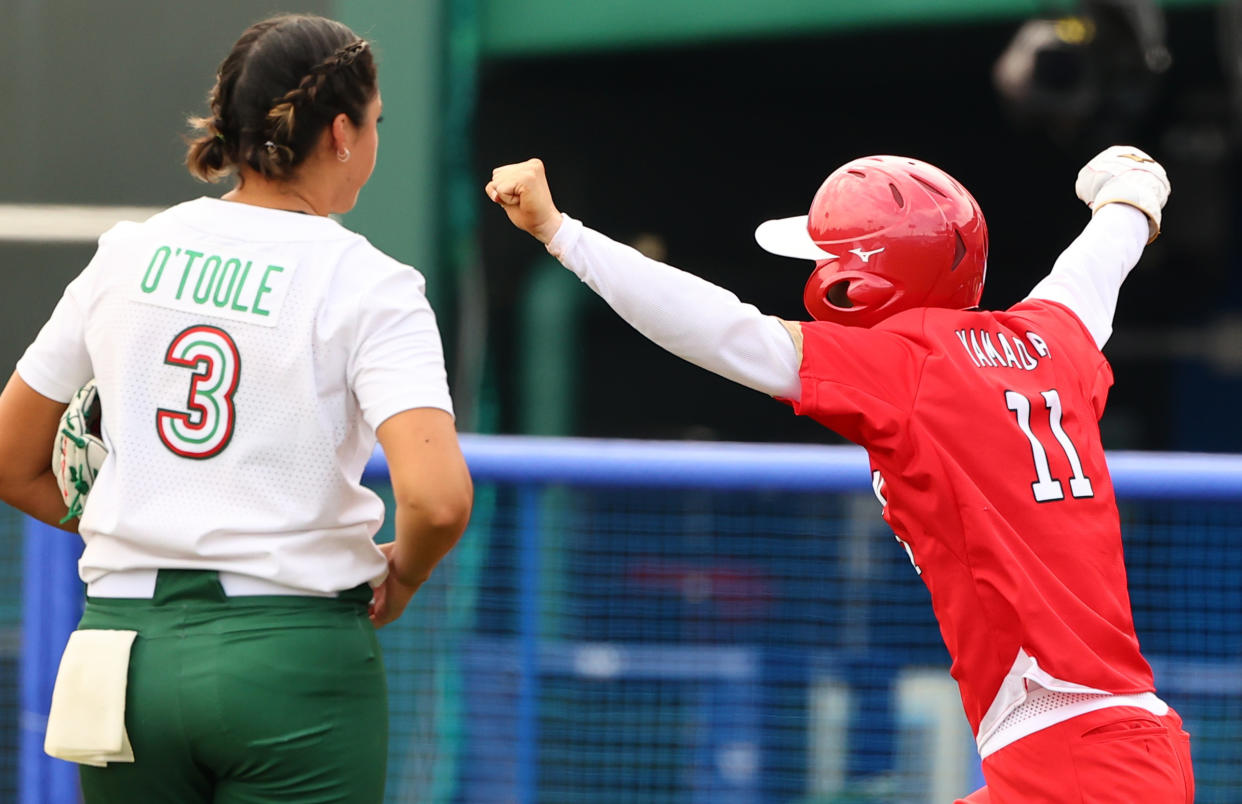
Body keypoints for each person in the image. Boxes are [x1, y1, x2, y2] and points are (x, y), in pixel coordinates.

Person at [486, 148, 1193, 802]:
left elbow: (721, 329)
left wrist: (560, 232)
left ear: (863, 279)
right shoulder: (1048, 338)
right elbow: (1097, 261)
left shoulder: (909, 364)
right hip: (1106, 747)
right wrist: (1129, 196)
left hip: (1073, 760)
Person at [0, 14, 472, 803]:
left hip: (124, 649)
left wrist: (142, 525)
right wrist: (409, 574)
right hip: (290, 654)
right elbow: (438, 498)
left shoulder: (128, 251)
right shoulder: (371, 283)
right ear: (342, 134)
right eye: (375, 122)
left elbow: (12, 460)